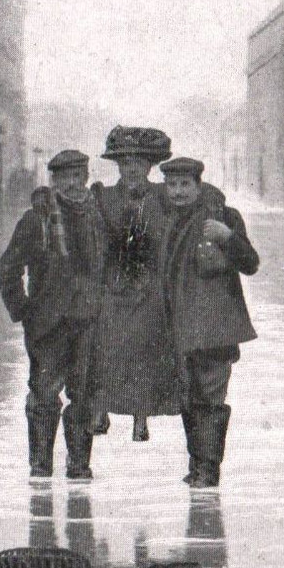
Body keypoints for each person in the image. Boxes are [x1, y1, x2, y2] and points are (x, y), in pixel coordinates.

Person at [0, 149, 106, 479]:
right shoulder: (37, 220)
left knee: (84, 395)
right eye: (64, 178)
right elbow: (7, 269)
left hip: (90, 320)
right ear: (54, 181)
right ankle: (41, 467)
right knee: (44, 395)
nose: (72, 184)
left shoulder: (98, 217)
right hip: (48, 325)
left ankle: (79, 467)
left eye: (77, 176)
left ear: (86, 177)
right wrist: (26, 311)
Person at [158, 157, 259, 488]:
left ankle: (209, 470)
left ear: (197, 186)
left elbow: (251, 263)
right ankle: (197, 465)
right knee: (189, 396)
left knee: (211, 397)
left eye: (185, 185)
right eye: (172, 185)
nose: (178, 192)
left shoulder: (224, 217)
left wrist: (228, 236)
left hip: (216, 327)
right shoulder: (163, 220)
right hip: (180, 326)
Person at [89, 125, 179, 440]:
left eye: (139, 164)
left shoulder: (164, 196)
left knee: (146, 348)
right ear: (118, 166)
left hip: (151, 283)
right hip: (113, 282)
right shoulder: (102, 196)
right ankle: (102, 407)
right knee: (108, 345)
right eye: (126, 164)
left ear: (149, 167)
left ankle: (141, 417)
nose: (132, 170)